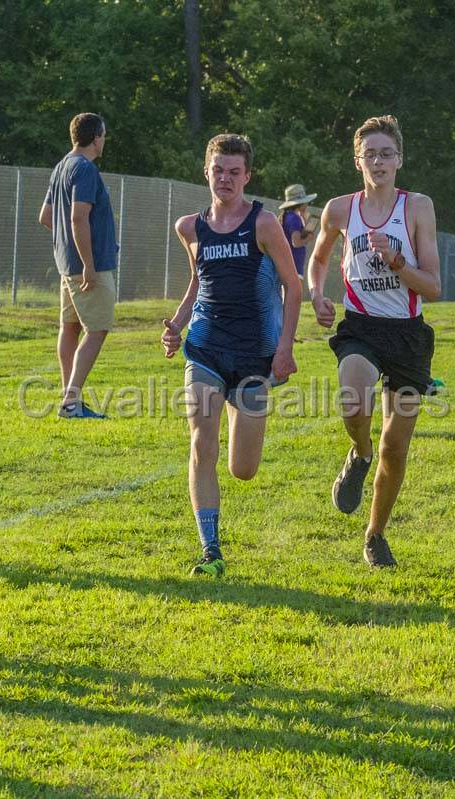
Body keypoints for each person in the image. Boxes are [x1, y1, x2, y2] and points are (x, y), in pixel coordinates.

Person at [161, 134, 301, 577]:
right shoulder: (189, 227)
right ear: (206, 171)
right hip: (204, 347)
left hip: (256, 356)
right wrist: (177, 326)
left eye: (234, 172)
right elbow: (197, 283)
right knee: (202, 444)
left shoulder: (263, 225)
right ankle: (211, 549)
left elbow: (293, 287)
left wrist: (284, 348)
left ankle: (245, 421)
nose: (225, 178)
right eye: (218, 170)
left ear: (247, 177)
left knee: (243, 468)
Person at [306, 115, 442, 568]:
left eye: (386, 153)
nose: (378, 161)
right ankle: (358, 453)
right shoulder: (340, 209)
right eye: (370, 154)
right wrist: (316, 296)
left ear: (399, 159)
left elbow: (434, 288)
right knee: (353, 396)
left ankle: (375, 535)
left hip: (408, 336)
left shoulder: (417, 207)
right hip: (360, 326)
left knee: (396, 447)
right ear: (357, 161)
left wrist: (398, 262)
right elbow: (319, 258)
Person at [39, 112, 118, 419]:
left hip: (65, 265)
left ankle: (69, 399)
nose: (104, 141)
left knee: (70, 328)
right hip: (89, 267)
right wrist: (88, 262)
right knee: (97, 330)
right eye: (104, 135)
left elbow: (46, 217)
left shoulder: (61, 166)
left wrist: (69, 249)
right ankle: (71, 402)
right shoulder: (85, 169)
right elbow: (77, 216)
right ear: (95, 137)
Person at [278, 183, 318, 280]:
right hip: (294, 265)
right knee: (294, 295)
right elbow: (296, 243)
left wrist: (303, 216)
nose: (307, 204)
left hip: (287, 264)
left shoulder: (288, 216)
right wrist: (307, 239)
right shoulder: (294, 219)